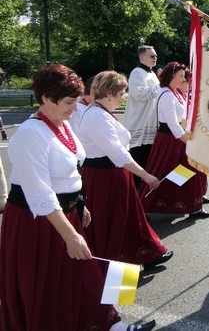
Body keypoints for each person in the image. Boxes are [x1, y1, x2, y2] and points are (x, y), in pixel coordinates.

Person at [0, 64, 155, 331]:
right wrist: (71, 236)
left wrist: (80, 204)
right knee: (50, 283)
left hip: (64, 213)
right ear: (47, 98)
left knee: (82, 274)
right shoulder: (30, 133)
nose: (76, 108)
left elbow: (73, 168)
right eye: (70, 102)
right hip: (38, 222)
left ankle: (112, 325)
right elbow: (40, 194)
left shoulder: (61, 124)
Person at [78, 70, 173, 269]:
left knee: (129, 216)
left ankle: (147, 253)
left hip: (113, 174)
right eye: (121, 93)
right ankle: (113, 267)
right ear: (110, 93)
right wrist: (146, 175)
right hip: (104, 177)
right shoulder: (97, 116)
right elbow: (119, 154)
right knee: (114, 222)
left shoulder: (102, 113)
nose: (123, 98)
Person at [139, 62, 209, 216]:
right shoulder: (167, 94)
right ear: (171, 75)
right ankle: (191, 206)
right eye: (180, 75)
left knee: (180, 172)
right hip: (171, 139)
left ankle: (187, 202)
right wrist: (189, 142)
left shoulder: (174, 92)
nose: (183, 78)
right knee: (177, 171)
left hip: (176, 138)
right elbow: (173, 124)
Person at [125, 45, 161, 187]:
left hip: (150, 122)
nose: (155, 58)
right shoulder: (136, 73)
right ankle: (135, 188)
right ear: (142, 57)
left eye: (156, 56)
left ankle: (144, 190)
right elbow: (140, 95)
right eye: (152, 56)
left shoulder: (152, 74)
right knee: (138, 155)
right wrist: (160, 85)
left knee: (148, 157)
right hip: (139, 121)